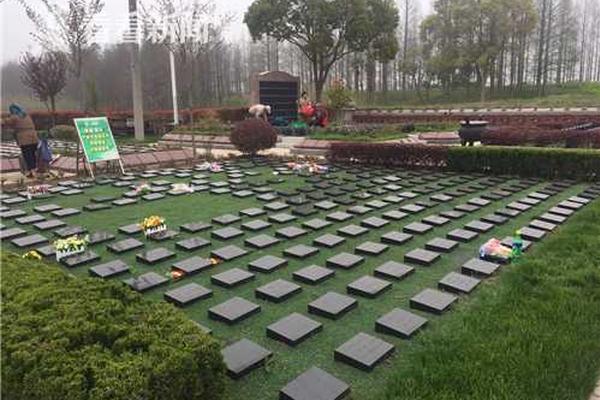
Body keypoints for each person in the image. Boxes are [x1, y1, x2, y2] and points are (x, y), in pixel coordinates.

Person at [4, 104, 39, 178]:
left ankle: (31, 171)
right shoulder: (26, 115)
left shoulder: (14, 117)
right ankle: (33, 170)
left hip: (25, 139)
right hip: (33, 138)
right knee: (32, 154)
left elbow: (5, 122)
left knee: (27, 155)